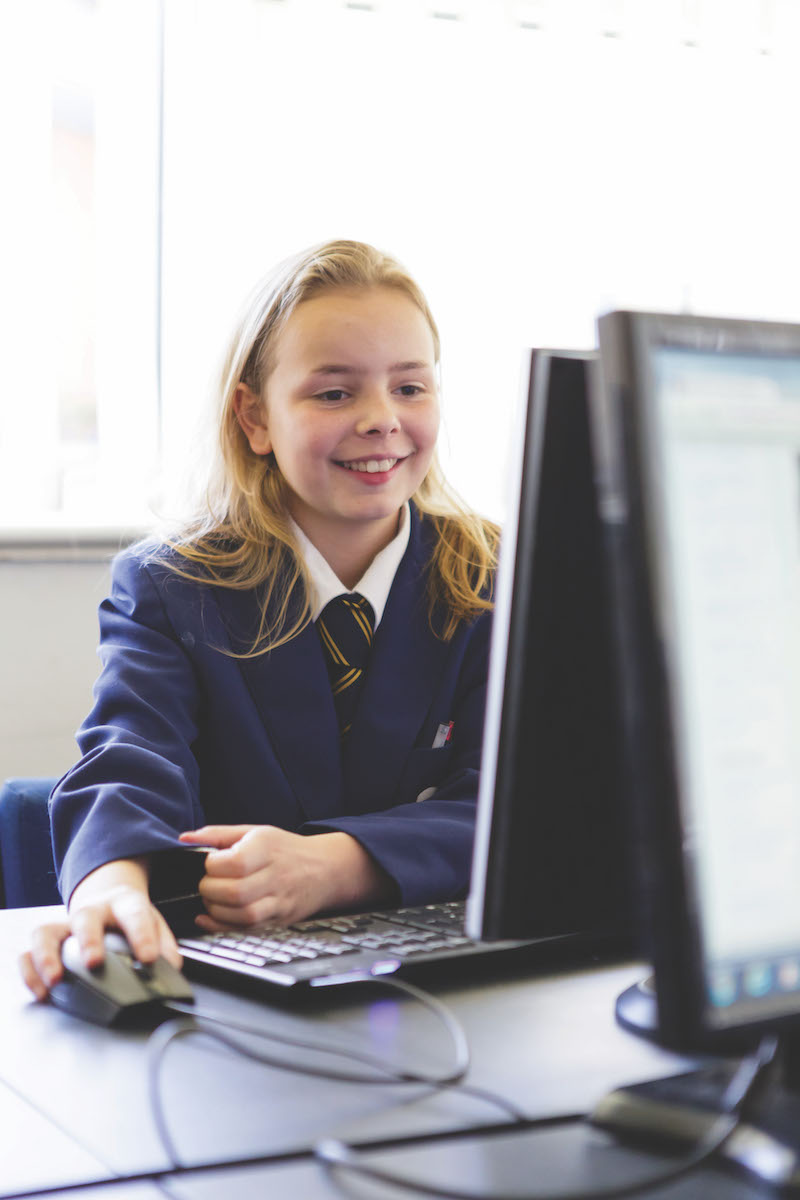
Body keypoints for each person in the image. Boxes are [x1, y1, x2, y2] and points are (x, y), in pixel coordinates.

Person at [20, 239, 498, 999]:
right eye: (334, 394)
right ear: (255, 417)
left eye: (411, 387)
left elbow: (521, 807)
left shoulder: (492, 584)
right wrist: (109, 888)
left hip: (453, 989)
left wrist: (342, 864)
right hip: (238, 993)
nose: (381, 420)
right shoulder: (172, 586)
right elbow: (128, 761)